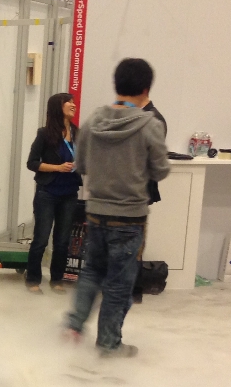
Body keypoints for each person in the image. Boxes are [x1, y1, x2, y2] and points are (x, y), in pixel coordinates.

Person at [65, 58, 169, 357]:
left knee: (91, 272)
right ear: (146, 89)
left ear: (116, 85)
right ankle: (109, 345)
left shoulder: (92, 121)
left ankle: (73, 326)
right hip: (129, 217)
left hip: (96, 212)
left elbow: (81, 165)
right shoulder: (150, 125)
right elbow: (160, 171)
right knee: (119, 284)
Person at [24, 93, 81, 294]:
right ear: (58, 106)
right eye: (69, 102)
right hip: (47, 193)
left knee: (63, 240)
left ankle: (57, 279)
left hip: (70, 193)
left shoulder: (78, 133)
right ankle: (33, 280)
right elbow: (32, 163)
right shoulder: (45, 133)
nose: (73, 105)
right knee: (41, 238)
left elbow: (85, 158)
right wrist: (57, 168)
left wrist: (81, 164)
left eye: (73, 102)